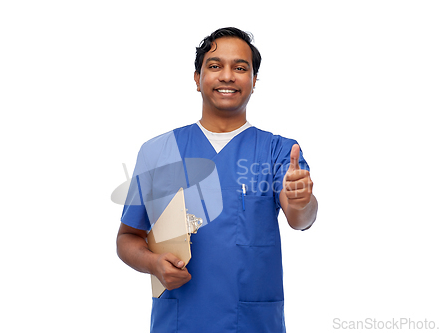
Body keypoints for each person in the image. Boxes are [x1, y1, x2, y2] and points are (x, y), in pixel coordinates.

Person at [117, 27, 318, 333]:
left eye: (240, 68)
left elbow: (300, 218)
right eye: (215, 66)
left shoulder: (278, 150)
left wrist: (303, 201)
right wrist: (152, 264)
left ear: (253, 81)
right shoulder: (160, 151)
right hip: (179, 322)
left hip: (251, 323)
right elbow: (127, 237)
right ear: (197, 79)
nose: (227, 76)